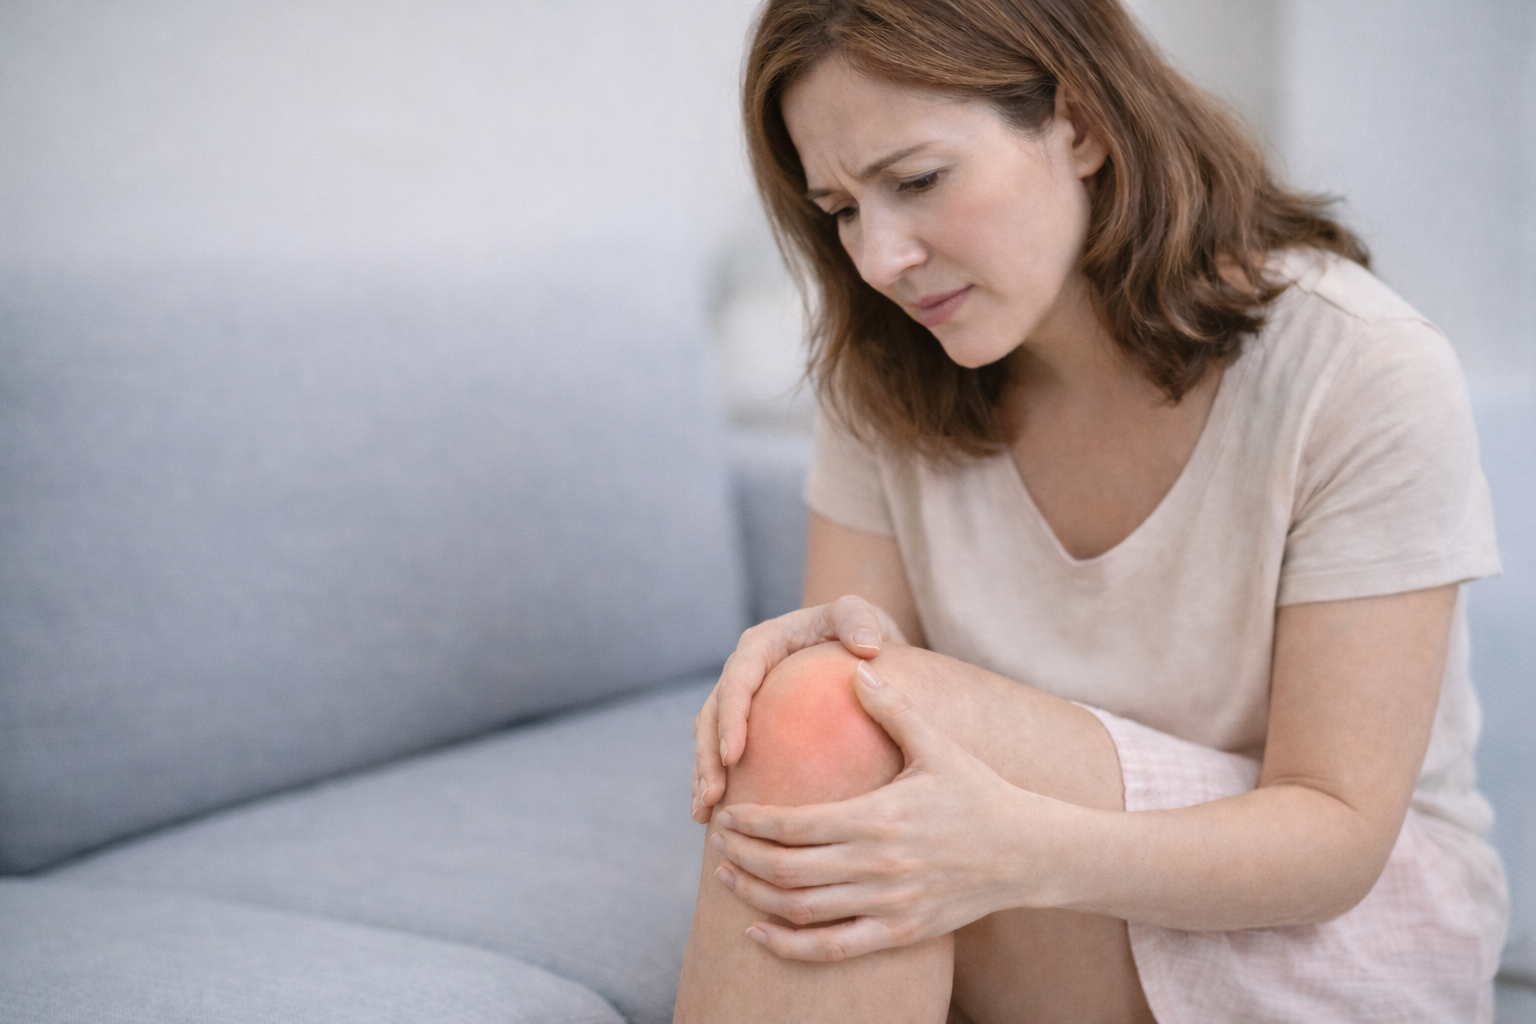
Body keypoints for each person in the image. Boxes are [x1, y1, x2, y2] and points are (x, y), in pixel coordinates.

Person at [673, 0, 1508, 1020]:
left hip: (1322, 920)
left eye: (917, 180)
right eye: (842, 209)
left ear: (1081, 125)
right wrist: (790, 664)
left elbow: (1336, 835)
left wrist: (1015, 849)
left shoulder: (1361, 368)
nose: (881, 259)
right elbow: (858, 685)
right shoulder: (888, 375)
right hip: (1024, 874)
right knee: (818, 706)